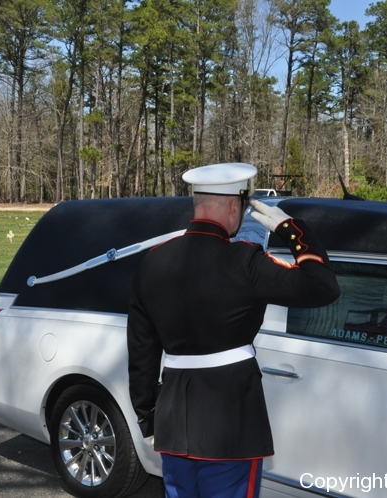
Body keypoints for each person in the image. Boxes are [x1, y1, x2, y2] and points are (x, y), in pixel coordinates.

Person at [127, 162, 340, 498]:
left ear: (197, 204)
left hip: (172, 419)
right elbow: (323, 286)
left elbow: (142, 349)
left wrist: (147, 416)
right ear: (233, 206)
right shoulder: (245, 261)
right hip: (230, 419)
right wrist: (291, 229)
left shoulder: (153, 260)